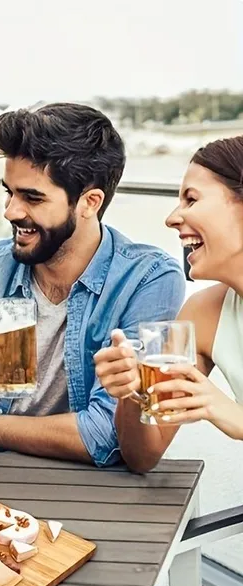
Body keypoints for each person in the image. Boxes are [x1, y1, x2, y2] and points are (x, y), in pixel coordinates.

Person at [0, 103, 186, 466]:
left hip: (78, 490)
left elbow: (107, 432)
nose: (10, 211)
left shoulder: (147, 280)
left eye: (32, 197)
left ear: (89, 202)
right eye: (9, 192)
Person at [94, 135, 243, 472]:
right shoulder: (204, 315)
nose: (173, 217)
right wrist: (132, 393)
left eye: (191, 199)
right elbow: (142, 457)